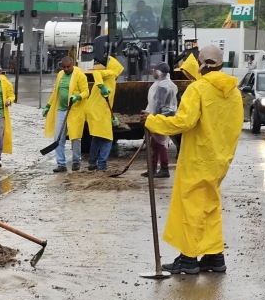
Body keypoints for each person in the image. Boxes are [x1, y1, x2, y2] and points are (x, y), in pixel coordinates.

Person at [141, 45, 243, 275]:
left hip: (197, 159)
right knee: (210, 207)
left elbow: (183, 122)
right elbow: (234, 127)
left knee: (191, 208)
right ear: (222, 64)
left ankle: (188, 259)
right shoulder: (234, 92)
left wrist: (153, 121)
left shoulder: (198, 89)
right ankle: (214, 257)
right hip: (219, 160)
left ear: (202, 63)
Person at [43, 56, 89, 173]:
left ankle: (76, 161)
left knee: (75, 138)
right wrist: (48, 105)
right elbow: (55, 92)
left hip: (75, 110)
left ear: (72, 65)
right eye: (64, 67)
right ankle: (61, 164)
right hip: (61, 110)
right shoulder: (60, 75)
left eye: (68, 67)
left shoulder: (80, 75)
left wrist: (78, 96)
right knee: (58, 137)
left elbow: (86, 92)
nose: (66, 69)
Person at [85, 53, 124, 171]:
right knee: (108, 139)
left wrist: (112, 117)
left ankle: (92, 163)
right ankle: (102, 165)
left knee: (97, 137)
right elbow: (96, 73)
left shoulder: (110, 78)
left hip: (95, 110)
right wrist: (101, 86)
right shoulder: (111, 74)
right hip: (98, 111)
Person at [141, 62, 178, 178]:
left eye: (154, 70)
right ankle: (152, 169)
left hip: (160, 117)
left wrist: (152, 118)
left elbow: (158, 104)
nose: (153, 72)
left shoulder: (162, 86)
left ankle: (164, 169)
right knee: (155, 144)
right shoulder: (167, 84)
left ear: (159, 72)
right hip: (164, 116)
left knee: (160, 144)